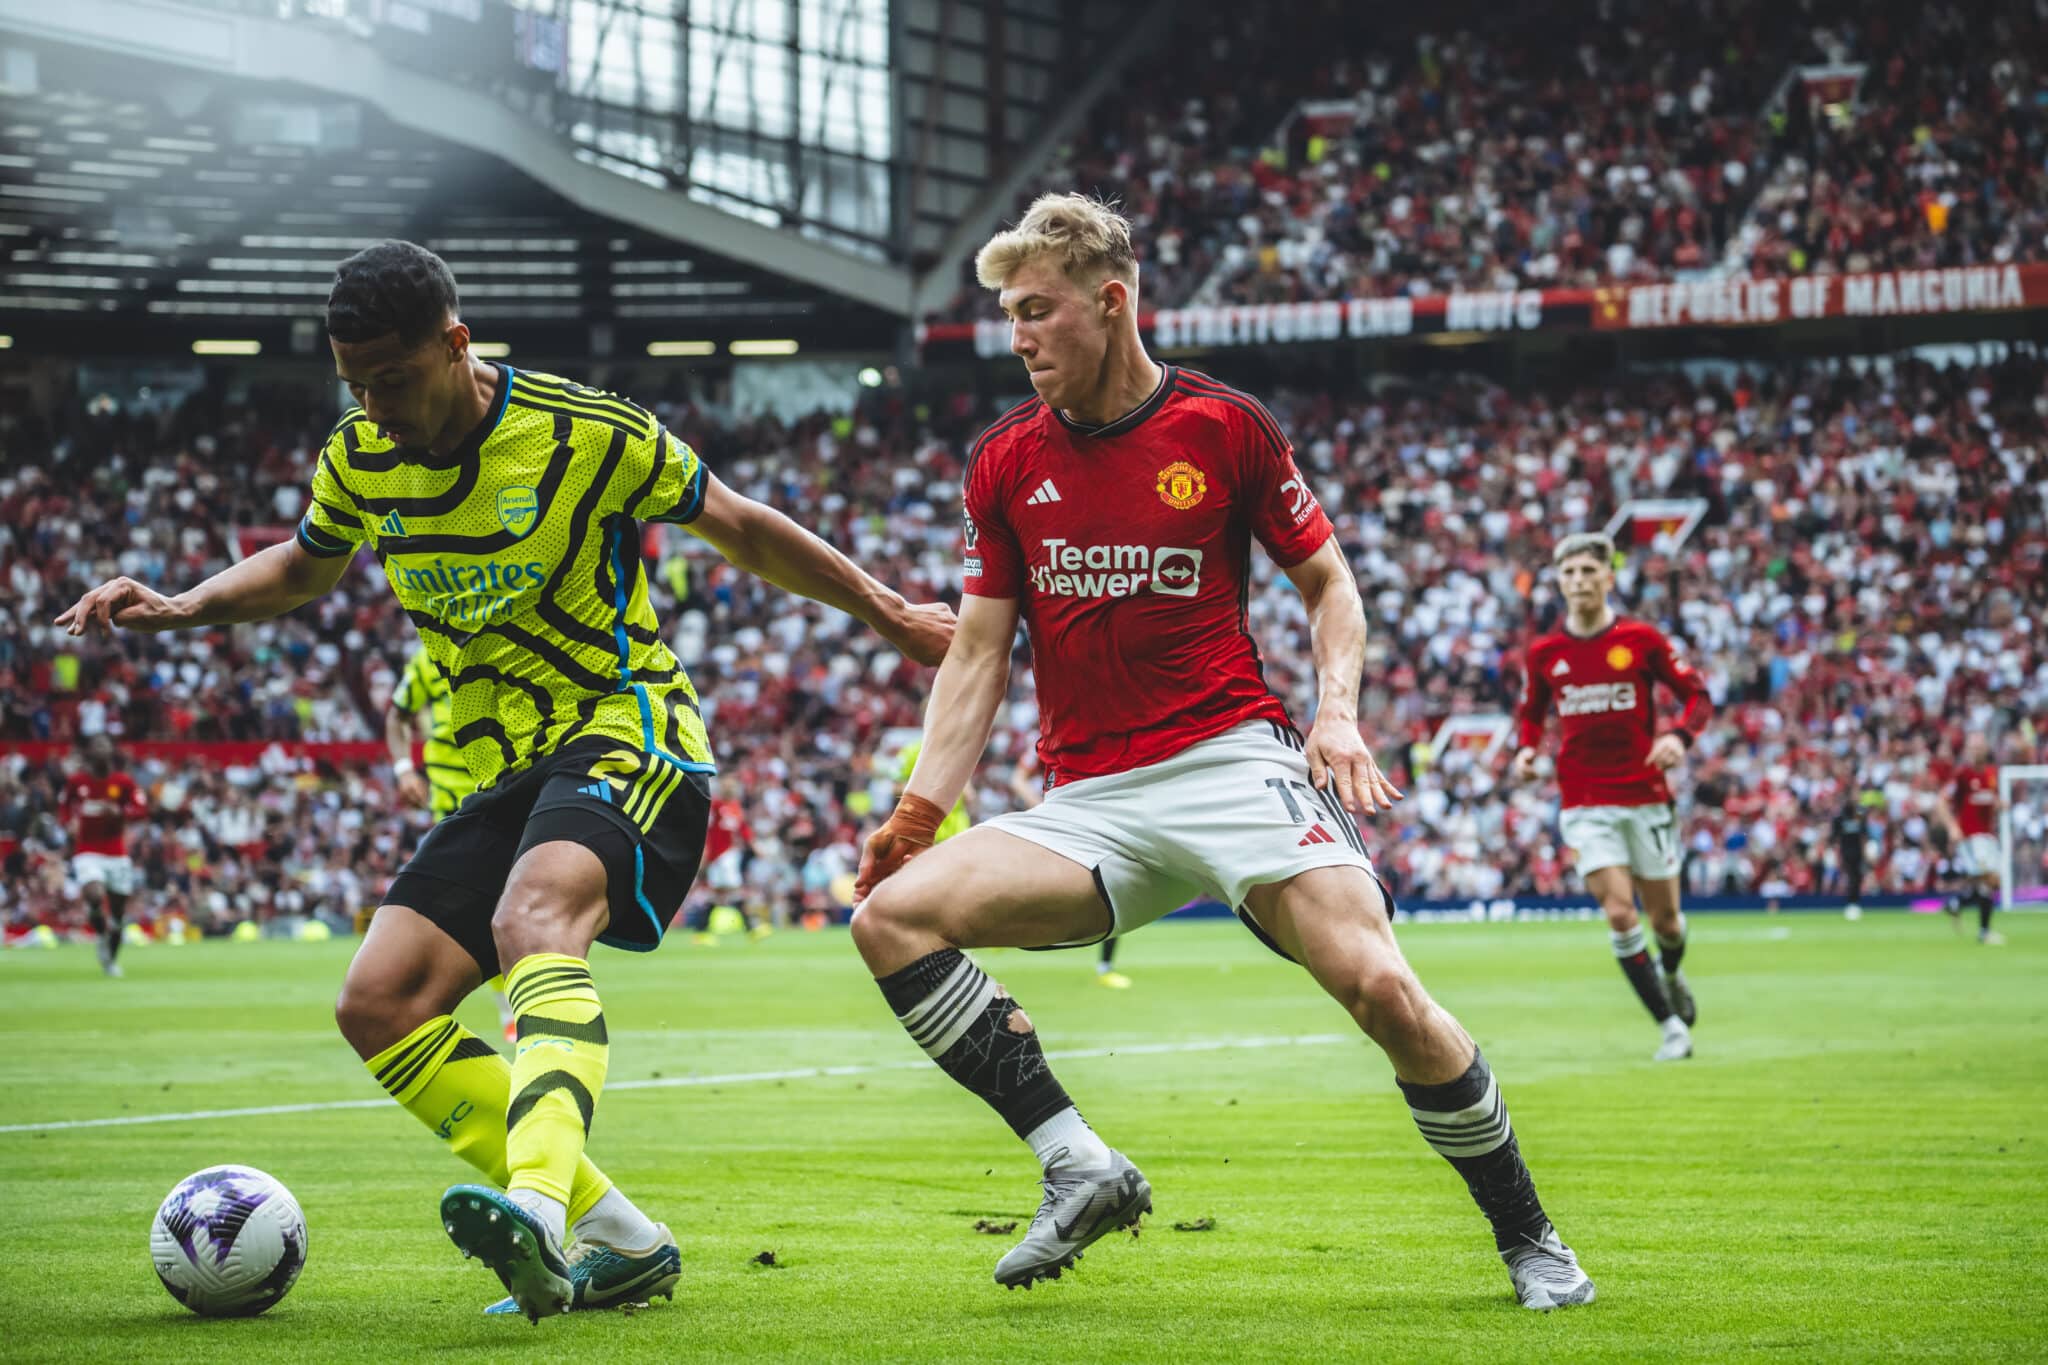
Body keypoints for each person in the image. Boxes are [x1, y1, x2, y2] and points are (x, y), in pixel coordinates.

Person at [56, 239, 953, 1322]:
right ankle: (621, 1241)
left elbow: (743, 528)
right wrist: (186, 603)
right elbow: (305, 564)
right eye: (356, 385)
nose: (375, 406)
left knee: (537, 921)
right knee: (379, 1002)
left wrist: (892, 614)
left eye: (390, 379)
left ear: (455, 343)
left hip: (626, 730)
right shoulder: (360, 457)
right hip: (497, 771)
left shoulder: (587, 432)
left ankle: (534, 1208)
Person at [850, 194, 1592, 1311]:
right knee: (888, 919)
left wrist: (1333, 713)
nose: (1017, 338)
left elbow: (1328, 584)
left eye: (1036, 312)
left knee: (1380, 987)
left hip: (1232, 759)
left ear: (1109, 303)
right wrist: (917, 814)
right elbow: (978, 656)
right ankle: (1078, 1167)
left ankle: (1531, 1240)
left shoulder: (1221, 426)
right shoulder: (1003, 462)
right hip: (1091, 799)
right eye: (1007, 315)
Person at [1512, 533, 1711, 1062]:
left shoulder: (1642, 640)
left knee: (1666, 923)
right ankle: (1671, 1027)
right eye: (1568, 573)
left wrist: (1678, 737)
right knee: (1621, 914)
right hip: (1583, 800)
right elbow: (1531, 715)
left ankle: (1670, 973)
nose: (1577, 581)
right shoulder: (1544, 653)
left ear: (1608, 578)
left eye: (1586, 571)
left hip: (1645, 794)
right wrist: (1528, 752)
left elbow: (1698, 696)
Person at [387, 644, 516, 1041]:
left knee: (515, 901)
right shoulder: (430, 656)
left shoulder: (509, 644)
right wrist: (404, 769)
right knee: (491, 904)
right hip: (452, 803)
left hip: (511, 790)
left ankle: (514, 1001)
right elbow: (397, 715)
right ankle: (506, 1007)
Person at [1009, 749, 1127, 987]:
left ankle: (1105, 966)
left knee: (1114, 883)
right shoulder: (1043, 745)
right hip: (1052, 827)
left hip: (1092, 824)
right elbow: (1017, 779)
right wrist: (1038, 805)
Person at [59, 736, 147, 977]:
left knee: (118, 915)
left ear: (111, 752)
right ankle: (100, 932)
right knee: (95, 893)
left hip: (116, 853)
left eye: (104, 745)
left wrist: (120, 811)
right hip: (87, 850)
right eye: (95, 745)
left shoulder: (122, 782)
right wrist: (68, 823)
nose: (100, 749)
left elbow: (141, 808)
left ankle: (110, 961)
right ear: (89, 752)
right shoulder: (78, 782)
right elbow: (64, 806)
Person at [1938, 734, 2003, 945]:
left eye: (1979, 747)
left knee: (1987, 884)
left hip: (1988, 836)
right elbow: (1941, 802)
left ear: (1985, 749)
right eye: (1972, 747)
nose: (1975, 751)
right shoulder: (1962, 774)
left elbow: (1991, 800)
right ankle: (1983, 932)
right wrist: (1952, 827)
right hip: (1971, 838)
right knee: (1989, 879)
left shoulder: (1992, 774)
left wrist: (2000, 805)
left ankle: (1957, 903)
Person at [1829, 793, 1868, 917]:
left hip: (1858, 852)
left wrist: (1864, 854)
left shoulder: (1860, 815)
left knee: (1857, 878)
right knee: (1850, 878)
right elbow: (1837, 840)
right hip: (1845, 852)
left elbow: (1863, 836)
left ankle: (1855, 902)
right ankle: (1850, 903)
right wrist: (1838, 856)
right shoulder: (1840, 818)